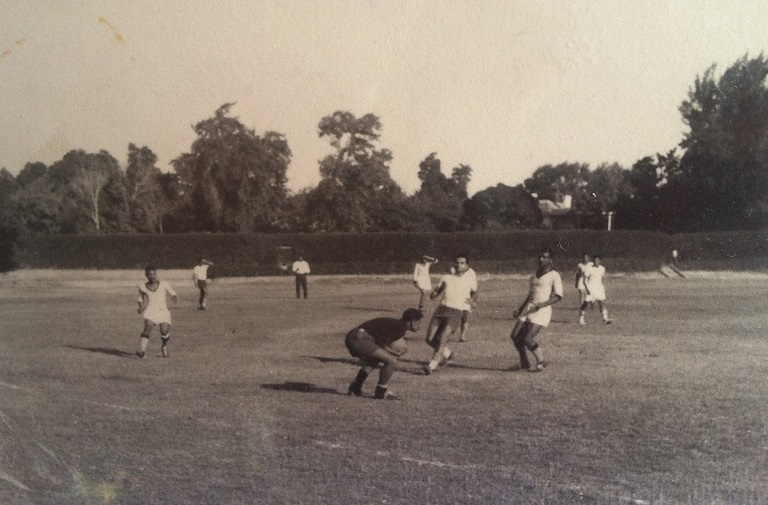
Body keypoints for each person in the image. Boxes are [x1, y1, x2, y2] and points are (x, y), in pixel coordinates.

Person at [345, 308, 424, 400]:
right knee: (391, 361)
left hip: (353, 337)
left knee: (374, 361)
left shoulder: (396, 324)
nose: (420, 326)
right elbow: (382, 344)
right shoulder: (401, 328)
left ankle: (356, 387)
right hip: (361, 340)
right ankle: (381, 392)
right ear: (412, 321)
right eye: (419, 323)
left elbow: (379, 342)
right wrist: (395, 353)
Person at [423, 253, 478, 375]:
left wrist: (472, 300)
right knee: (429, 339)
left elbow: (475, 292)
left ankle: (431, 366)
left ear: (466, 265)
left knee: (442, 338)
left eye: (462, 263)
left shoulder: (469, 279)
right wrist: (433, 294)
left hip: (456, 312)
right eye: (457, 263)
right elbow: (437, 291)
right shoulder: (446, 277)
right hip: (441, 310)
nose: (459, 265)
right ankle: (448, 354)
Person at [509, 249, 563, 372]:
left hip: (542, 310)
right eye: (540, 257)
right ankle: (524, 363)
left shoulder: (554, 275)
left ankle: (541, 361)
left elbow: (558, 296)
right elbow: (531, 295)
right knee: (515, 336)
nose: (541, 259)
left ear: (550, 259)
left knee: (527, 338)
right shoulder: (535, 275)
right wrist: (520, 309)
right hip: (529, 308)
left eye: (544, 257)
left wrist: (541, 305)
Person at [136, 265, 178, 358]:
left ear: (156, 274)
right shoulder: (142, 286)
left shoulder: (163, 283)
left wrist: (174, 297)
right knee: (148, 327)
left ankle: (164, 346)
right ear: (146, 275)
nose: (152, 276)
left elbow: (173, 293)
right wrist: (141, 307)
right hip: (151, 310)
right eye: (150, 274)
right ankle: (142, 351)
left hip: (163, 311)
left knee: (164, 331)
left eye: (154, 274)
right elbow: (140, 299)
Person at [579, 255, 613, 325]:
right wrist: (587, 289)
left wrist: (602, 287)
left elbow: (602, 278)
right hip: (591, 288)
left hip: (599, 288)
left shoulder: (602, 268)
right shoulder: (589, 269)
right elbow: (584, 280)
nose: (596, 262)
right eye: (594, 260)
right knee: (586, 303)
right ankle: (581, 318)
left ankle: (605, 318)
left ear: (600, 261)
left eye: (597, 260)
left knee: (601, 303)